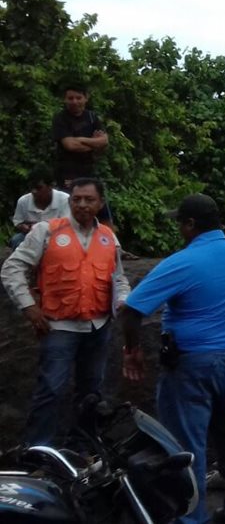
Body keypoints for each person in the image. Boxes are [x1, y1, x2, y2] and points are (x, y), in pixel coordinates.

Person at [119, 194, 225, 524]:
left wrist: (132, 351)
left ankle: (191, 518)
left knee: (185, 445)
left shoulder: (181, 262)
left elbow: (131, 311)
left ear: (190, 225)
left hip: (191, 365)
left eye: (180, 222)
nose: (179, 228)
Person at [0, 177, 130, 446]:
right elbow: (12, 269)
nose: (81, 204)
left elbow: (118, 278)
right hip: (59, 327)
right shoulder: (47, 231)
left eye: (89, 199)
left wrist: (123, 301)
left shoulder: (108, 237)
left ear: (100, 203)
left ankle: (82, 449)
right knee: (50, 390)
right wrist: (29, 307)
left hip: (98, 326)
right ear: (69, 201)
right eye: (76, 199)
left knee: (91, 392)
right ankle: (38, 452)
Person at [51, 84, 108, 190]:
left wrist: (80, 140)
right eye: (70, 98)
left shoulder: (92, 117)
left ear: (86, 98)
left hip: (90, 171)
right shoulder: (60, 119)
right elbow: (70, 145)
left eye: (78, 98)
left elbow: (104, 141)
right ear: (65, 99)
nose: (74, 102)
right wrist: (94, 143)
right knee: (70, 201)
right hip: (67, 173)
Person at [9, 169, 70, 249]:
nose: (34, 191)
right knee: (16, 240)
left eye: (38, 188)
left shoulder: (64, 199)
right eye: (31, 187)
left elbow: (68, 225)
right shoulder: (23, 201)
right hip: (31, 236)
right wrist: (24, 227)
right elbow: (18, 222)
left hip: (57, 236)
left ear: (51, 186)